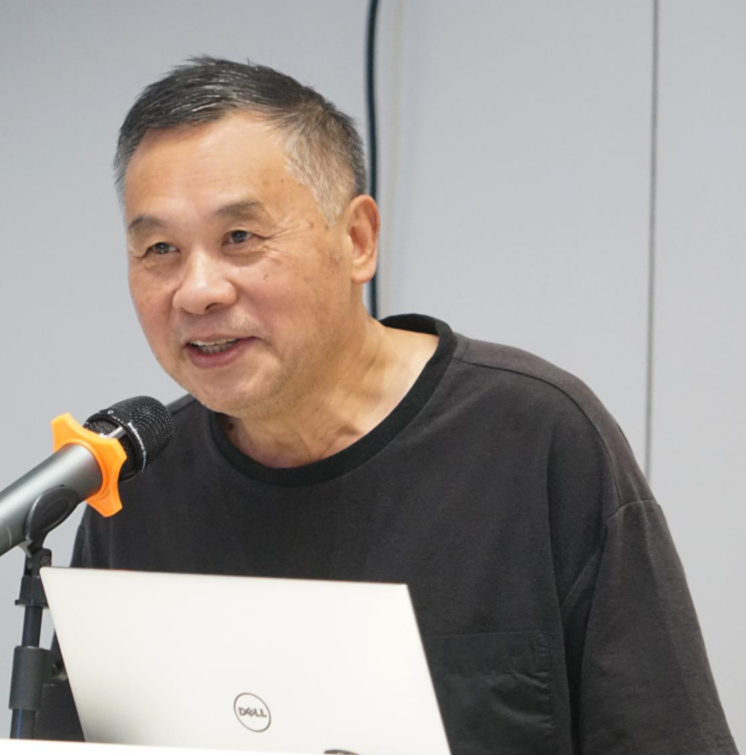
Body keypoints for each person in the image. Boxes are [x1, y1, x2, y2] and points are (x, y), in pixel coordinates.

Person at [36, 57, 737, 754]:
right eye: (159, 248)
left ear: (357, 240)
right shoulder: (137, 481)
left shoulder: (535, 439)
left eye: (239, 238)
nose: (198, 291)